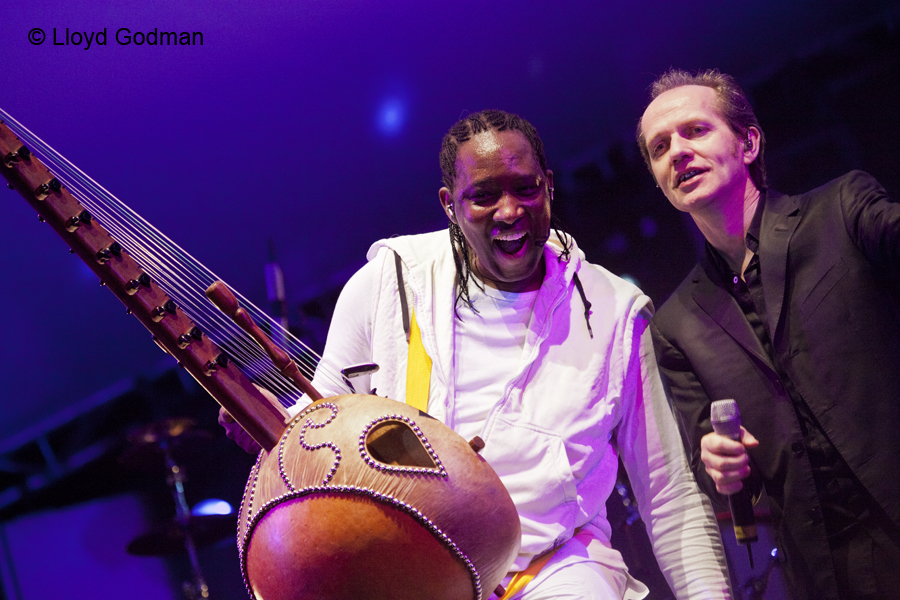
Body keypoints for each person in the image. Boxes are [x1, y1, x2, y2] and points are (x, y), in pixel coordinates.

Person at [224, 109, 731, 599]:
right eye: (483, 196)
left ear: (548, 185)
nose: (510, 211)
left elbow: (669, 493)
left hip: (559, 567)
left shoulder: (616, 312)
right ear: (449, 204)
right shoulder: (389, 283)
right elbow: (327, 416)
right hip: (416, 569)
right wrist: (279, 421)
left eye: (526, 189)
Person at [637, 69, 900, 600]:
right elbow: (712, 466)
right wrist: (719, 463)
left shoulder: (842, 211)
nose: (678, 152)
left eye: (695, 131)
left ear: (749, 142)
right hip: (821, 572)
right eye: (660, 146)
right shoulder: (675, 325)